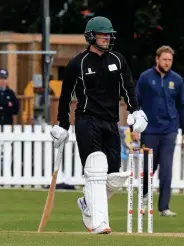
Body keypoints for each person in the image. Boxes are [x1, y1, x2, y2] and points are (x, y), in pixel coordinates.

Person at [50, 16, 148, 234]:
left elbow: (128, 89)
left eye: (109, 34)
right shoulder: (78, 63)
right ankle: (98, 223)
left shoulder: (118, 60)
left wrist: (136, 111)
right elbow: (66, 97)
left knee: (113, 176)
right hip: (87, 120)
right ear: (91, 37)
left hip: (111, 122)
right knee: (95, 167)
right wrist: (63, 125)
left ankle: (87, 202)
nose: (107, 38)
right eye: (103, 34)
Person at [132, 45, 184, 216]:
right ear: (157, 59)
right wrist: (134, 127)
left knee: (166, 168)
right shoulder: (145, 77)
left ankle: (164, 207)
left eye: (170, 60)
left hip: (170, 130)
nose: (167, 62)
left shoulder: (177, 80)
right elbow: (136, 103)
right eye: (164, 59)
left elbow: (182, 105)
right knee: (148, 167)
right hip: (149, 130)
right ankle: (143, 197)